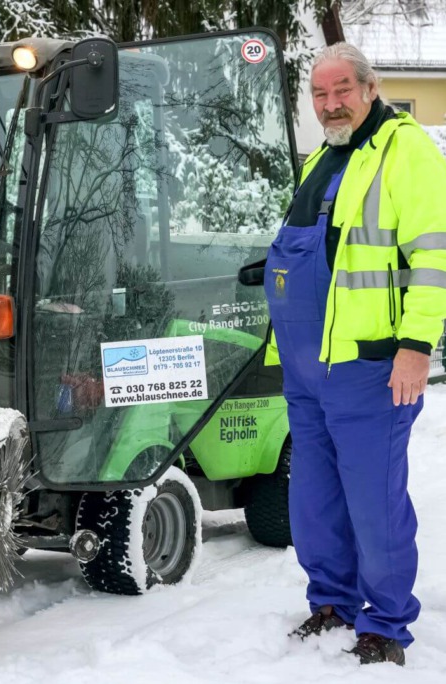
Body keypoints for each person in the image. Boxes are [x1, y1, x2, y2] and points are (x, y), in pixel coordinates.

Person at [263, 42, 446, 666]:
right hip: (309, 367)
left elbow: (433, 254)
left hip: (371, 367)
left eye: (342, 90)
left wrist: (417, 345)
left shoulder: (405, 148)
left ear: (370, 89)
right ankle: (333, 603)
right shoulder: (326, 155)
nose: (331, 104)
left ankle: (387, 624)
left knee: (374, 502)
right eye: (320, 94)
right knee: (313, 497)